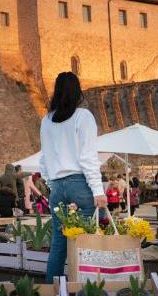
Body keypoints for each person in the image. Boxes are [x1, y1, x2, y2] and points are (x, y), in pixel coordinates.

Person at [38, 72, 106, 283]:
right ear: (77, 91)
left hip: (57, 188)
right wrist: (98, 190)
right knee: (85, 243)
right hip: (79, 184)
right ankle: (86, 288)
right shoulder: (83, 116)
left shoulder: (46, 121)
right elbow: (87, 156)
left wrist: (52, 185)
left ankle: (53, 289)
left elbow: (44, 159)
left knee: (59, 244)